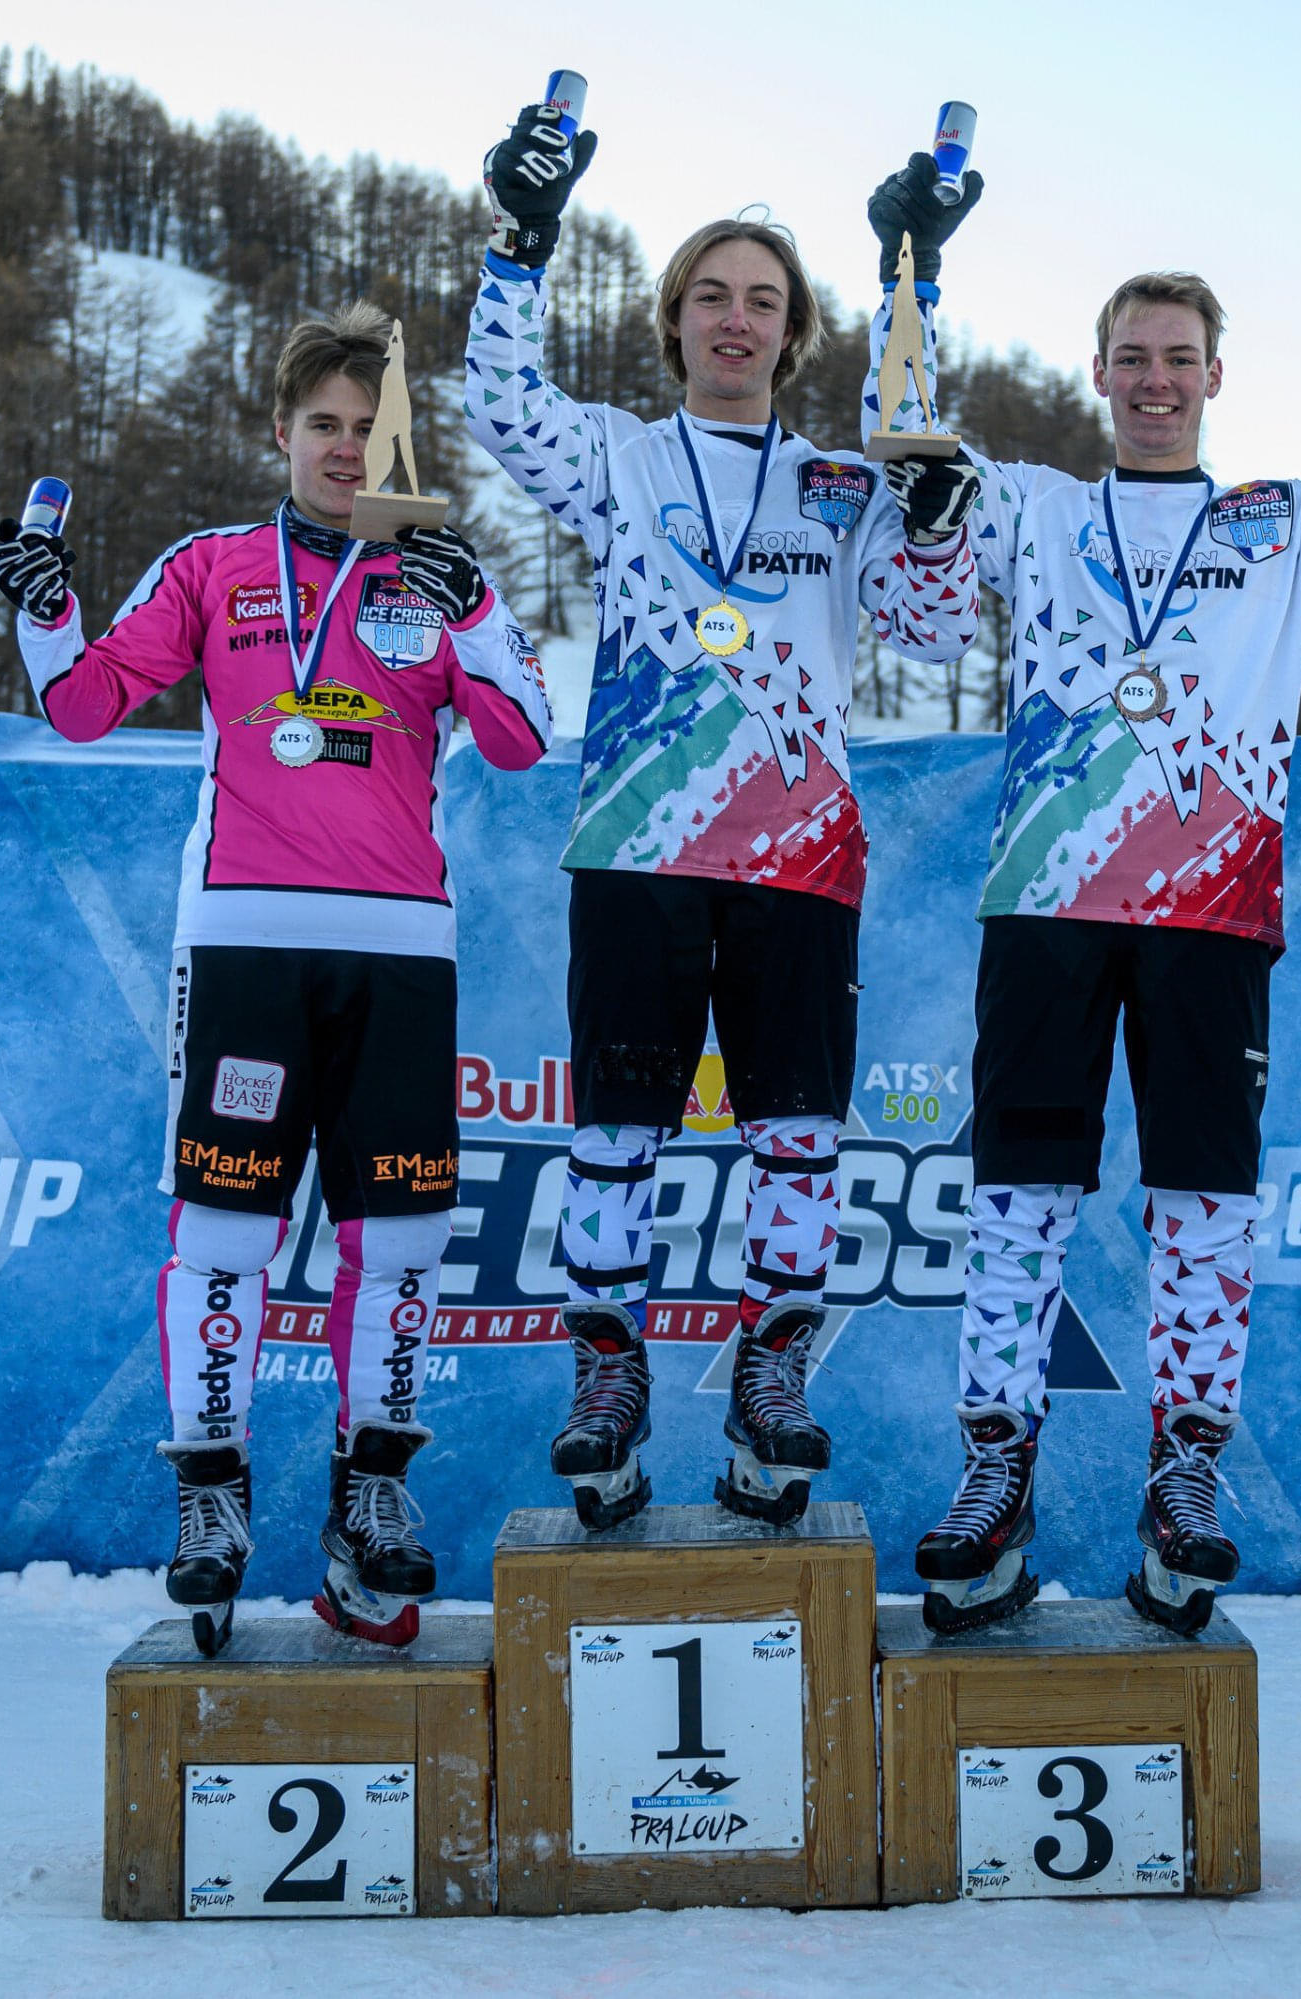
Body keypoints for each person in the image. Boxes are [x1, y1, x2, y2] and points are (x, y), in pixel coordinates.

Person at [905, 219, 1301, 1633]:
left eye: (1180, 358)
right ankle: (995, 1472)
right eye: (1133, 358)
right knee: (1016, 1203)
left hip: (1211, 915)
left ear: (1218, 375)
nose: (1156, 380)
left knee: (1205, 1214)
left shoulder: (1287, 525)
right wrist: (915, 273)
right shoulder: (1040, 510)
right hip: (1047, 902)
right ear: (1098, 374)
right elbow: (917, 435)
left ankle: (1186, 1476)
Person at [0, 302, 551, 1651]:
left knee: (403, 1242)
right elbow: (81, 704)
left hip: (401, 949)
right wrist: (49, 612)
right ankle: (213, 1496)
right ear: (282, 433)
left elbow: (524, 740)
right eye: (324, 427)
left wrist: (474, 616)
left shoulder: (437, 587)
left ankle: (374, 1498)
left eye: (371, 428)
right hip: (247, 938)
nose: (348, 451)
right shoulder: (215, 566)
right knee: (228, 1237)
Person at [464, 101, 983, 1527]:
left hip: (798, 853)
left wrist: (932, 523)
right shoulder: (625, 461)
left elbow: (932, 631)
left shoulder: (840, 481)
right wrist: (521, 245)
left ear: (797, 332)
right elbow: (500, 407)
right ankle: (609, 1373)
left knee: (799, 1133)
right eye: (712, 296)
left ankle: (771, 1370)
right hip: (639, 841)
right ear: (674, 322)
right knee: (617, 1134)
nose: (737, 319)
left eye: (763, 299)